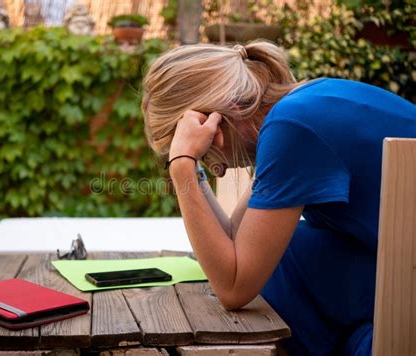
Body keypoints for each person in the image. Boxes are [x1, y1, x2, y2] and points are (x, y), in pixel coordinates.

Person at [141, 40, 416, 355]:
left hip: (405, 284)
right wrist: (192, 168)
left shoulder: (291, 127)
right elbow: (234, 236)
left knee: (283, 263)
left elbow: (233, 287)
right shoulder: (297, 108)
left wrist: (181, 167)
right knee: (285, 253)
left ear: (211, 122)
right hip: (397, 267)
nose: (208, 160)